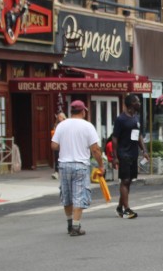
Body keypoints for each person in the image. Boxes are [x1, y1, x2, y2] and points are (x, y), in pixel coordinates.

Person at [52, 100, 106, 236]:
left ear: (71, 112)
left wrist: (66, 144)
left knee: (67, 196)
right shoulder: (88, 126)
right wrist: (101, 165)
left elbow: (54, 146)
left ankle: (70, 224)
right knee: (79, 196)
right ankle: (76, 227)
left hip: (64, 165)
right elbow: (95, 149)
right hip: (80, 165)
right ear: (83, 111)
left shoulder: (62, 125)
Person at [112, 94, 145, 219]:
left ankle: (120, 207)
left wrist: (144, 150)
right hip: (123, 153)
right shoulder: (121, 119)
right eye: (137, 101)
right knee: (125, 180)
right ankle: (126, 209)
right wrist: (115, 157)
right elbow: (115, 138)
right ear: (131, 104)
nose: (139, 104)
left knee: (129, 180)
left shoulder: (136, 118)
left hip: (133, 153)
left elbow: (138, 135)